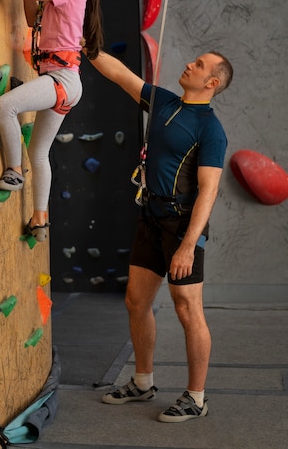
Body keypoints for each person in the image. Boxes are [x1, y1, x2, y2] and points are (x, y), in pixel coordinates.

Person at [88, 49, 233, 422]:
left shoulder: (210, 129)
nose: (190, 64)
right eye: (194, 60)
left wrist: (187, 246)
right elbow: (119, 73)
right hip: (150, 216)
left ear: (212, 83)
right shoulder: (164, 102)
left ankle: (196, 398)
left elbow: (209, 190)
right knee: (136, 301)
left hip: (183, 225)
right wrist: (86, 44)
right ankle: (142, 382)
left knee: (187, 308)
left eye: (199, 66)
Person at [0, 0, 104, 242]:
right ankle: (40, 218)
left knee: (5, 106)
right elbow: (32, 16)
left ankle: (14, 171)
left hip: (60, 80)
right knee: (39, 151)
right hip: (67, 83)